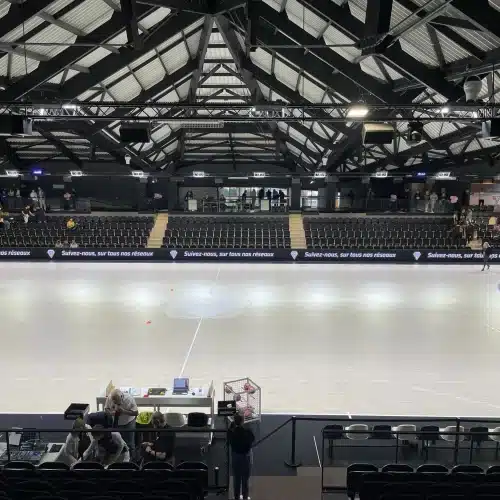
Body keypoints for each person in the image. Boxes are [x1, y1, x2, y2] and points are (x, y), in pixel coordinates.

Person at [104, 389, 138, 459]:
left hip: (128, 423)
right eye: (115, 403)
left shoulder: (129, 399)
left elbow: (136, 413)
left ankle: (132, 460)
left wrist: (124, 411)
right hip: (117, 423)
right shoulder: (109, 398)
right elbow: (106, 409)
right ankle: (121, 459)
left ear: (122, 397)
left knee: (130, 443)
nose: (117, 405)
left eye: (119, 403)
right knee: (118, 442)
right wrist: (111, 413)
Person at [228, 414, 255, 500]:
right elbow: (252, 439)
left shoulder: (231, 432)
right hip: (246, 456)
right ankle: (245, 497)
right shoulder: (247, 431)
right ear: (243, 421)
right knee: (245, 479)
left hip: (236, 456)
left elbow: (228, 439)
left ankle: (236, 497)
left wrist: (230, 427)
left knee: (236, 478)